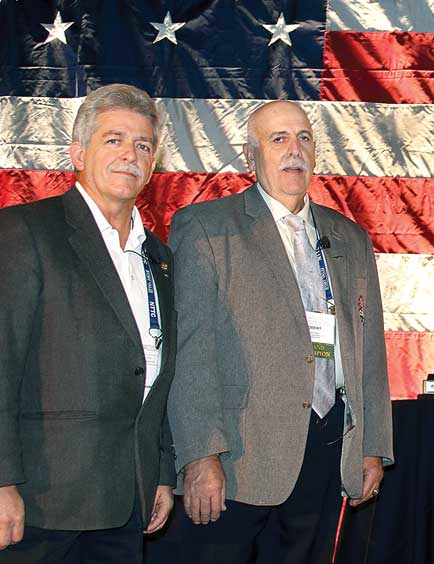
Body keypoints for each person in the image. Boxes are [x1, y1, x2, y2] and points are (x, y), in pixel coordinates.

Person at [163, 100, 393, 564]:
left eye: (304, 138)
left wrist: (373, 447)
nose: (294, 150)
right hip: (235, 460)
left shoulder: (349, 236)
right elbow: (191, 352)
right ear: (251, 157)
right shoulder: (205, 227)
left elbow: (369, 351)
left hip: (325, 450)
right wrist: (200, 455)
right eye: (279, 139)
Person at [0, 83, 176, 562]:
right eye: (113, 139)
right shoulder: (24, 232)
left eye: (143, 145)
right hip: (42, 501)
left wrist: (161, 470)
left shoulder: (159, 257)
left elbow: (156, 373)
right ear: (78, 152)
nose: (129, 155)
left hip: (128, 501)